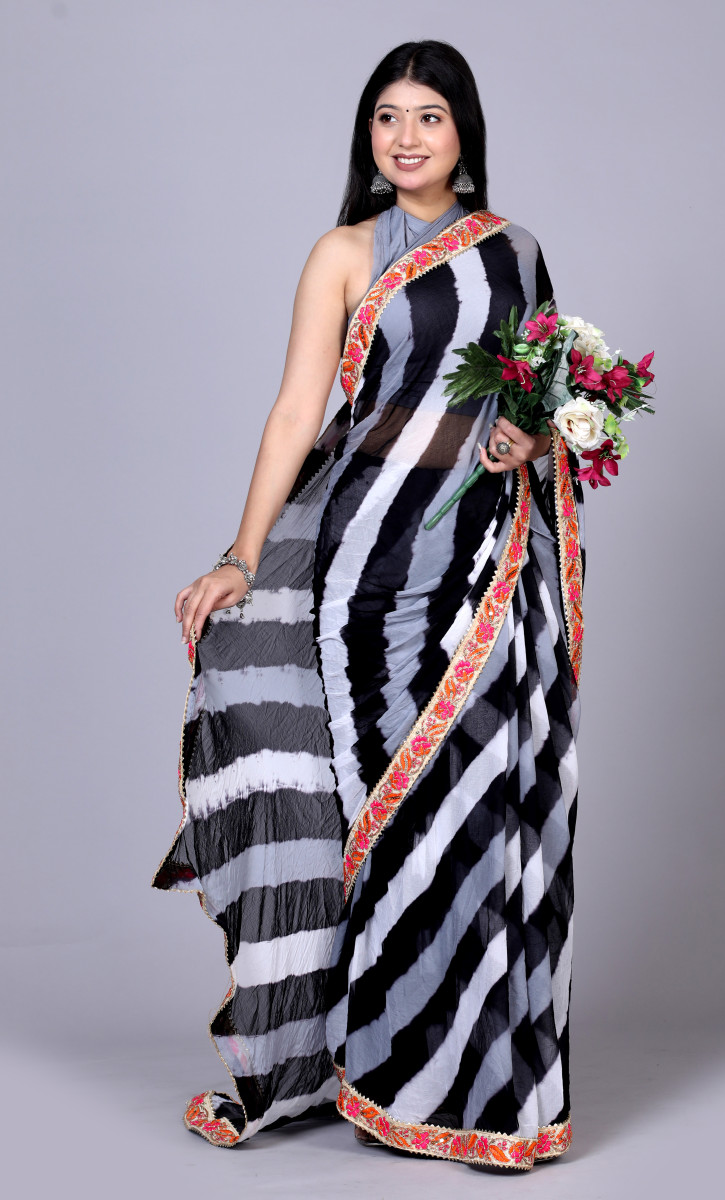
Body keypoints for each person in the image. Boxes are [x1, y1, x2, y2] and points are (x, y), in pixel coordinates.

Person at [153, 39, 584, 1172]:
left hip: (487, 561)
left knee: (481, 810)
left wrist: (531, 436)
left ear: (463, 132)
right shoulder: (344, 253)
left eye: (428, 116)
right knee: (391, 816)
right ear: (368, 135)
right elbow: (296, 413)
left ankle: (480, 1090)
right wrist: (243, 557)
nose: (405, 137)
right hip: (371, 573)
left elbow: (549, 399)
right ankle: (384, 1073)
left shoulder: (514, 252)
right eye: (387, 116)